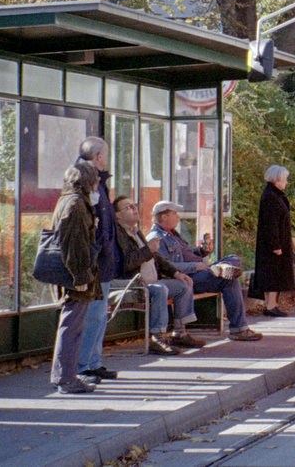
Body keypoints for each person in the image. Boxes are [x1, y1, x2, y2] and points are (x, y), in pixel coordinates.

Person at [146, 200, 263, 342]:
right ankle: (239, 329)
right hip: (188, 277)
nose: (178, 217)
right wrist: (194, 267)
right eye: (174, 214)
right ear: (163, 217)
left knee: (234, 259)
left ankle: (220, 269)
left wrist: (201, 251)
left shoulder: (173, 234)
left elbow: (187, 254)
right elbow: (165, 266)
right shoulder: (156, 238)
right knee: (229, 279)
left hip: (200, 272)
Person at [112, 195, 203, 353]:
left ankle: (180, 333)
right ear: (118, 215)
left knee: (184, 285)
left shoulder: (136, 231)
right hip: (131, 284)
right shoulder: (116, 236)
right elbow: (125, 264)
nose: (134, 209)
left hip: (149, 281)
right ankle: (158, 338)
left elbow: (157, 258)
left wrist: (176, 273)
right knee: (160, 289)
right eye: (128, 207)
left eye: (134, 205)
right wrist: (148, 250)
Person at [49, 161, 101, 395]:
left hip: (72, 273)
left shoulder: (70, 200)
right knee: (72, 326)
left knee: (72, 325)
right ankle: (66, 378)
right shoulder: (76, 204)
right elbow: (74, 243)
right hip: (75, 275)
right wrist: (80, 276)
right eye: (96, 179)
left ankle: (66, 376)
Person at [74, 136, 119, 384]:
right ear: (99, 156)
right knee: (92, 315)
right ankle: (84, 365)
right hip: (94, 260)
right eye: (106, 154)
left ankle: (93, 361)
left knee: (99, 315)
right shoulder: (86, 179)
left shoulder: (98, 181)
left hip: (102, 258)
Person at [249, 165, 295, 317]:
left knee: (272, 274)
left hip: (273, 243)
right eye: (284, 179)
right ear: (277, 180)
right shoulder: (271, 197)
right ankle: (271, 305)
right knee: (274, 274)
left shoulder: (273, 194)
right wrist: (276, 245)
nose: (286, 182)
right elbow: (271, 224)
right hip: (273, 244)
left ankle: (270, 304)